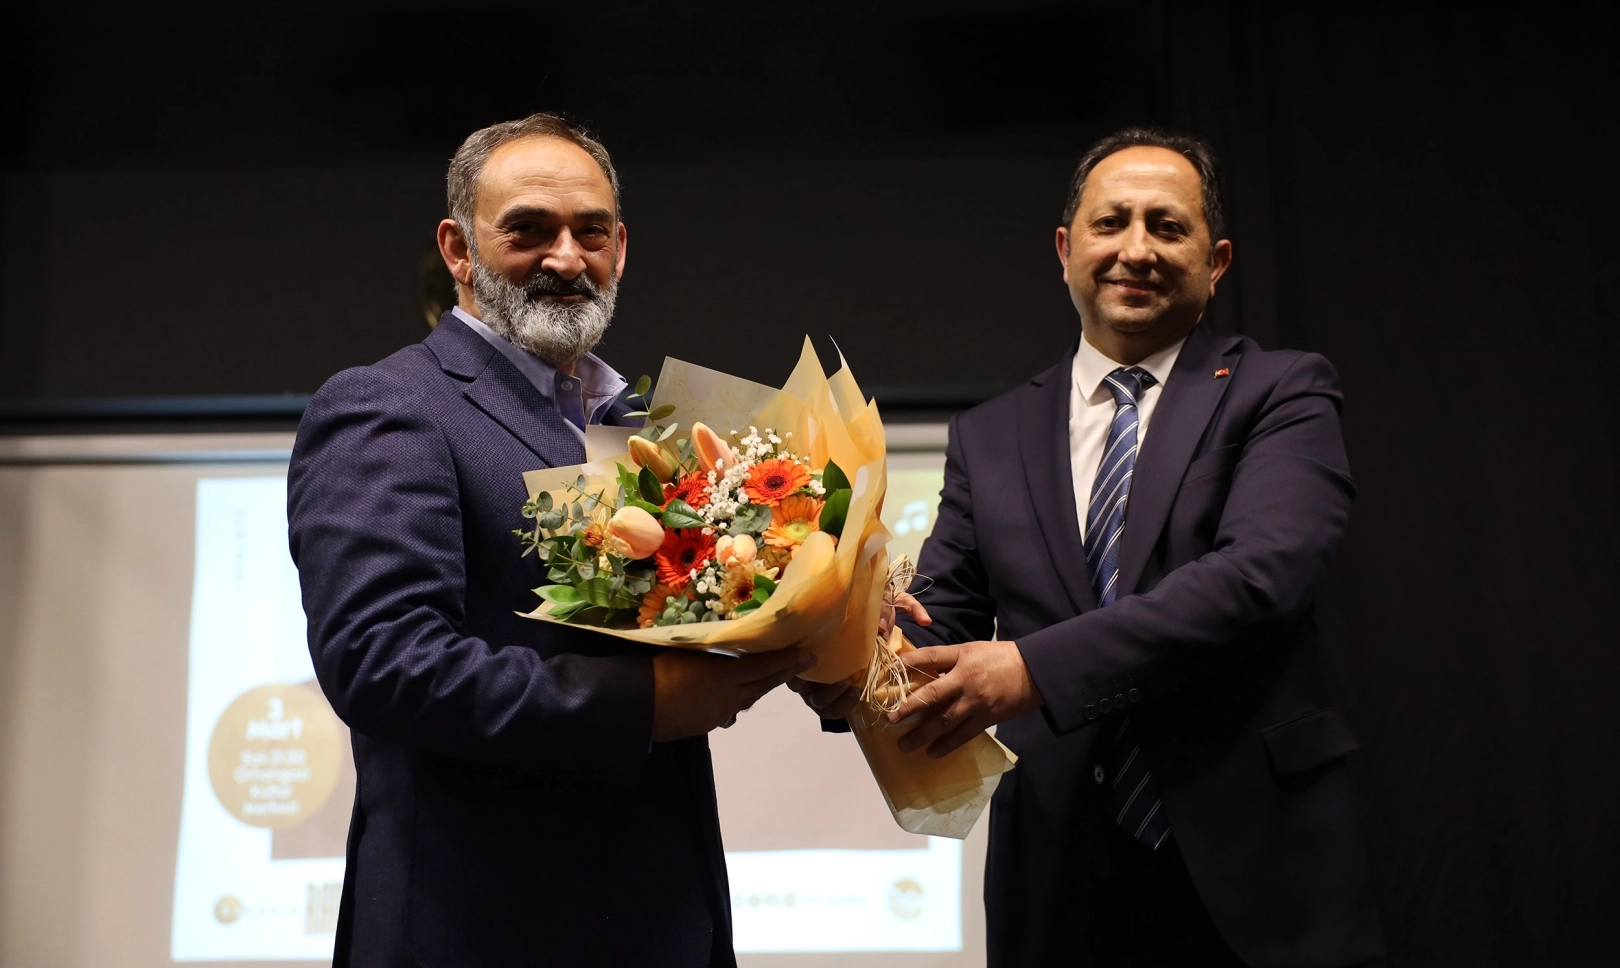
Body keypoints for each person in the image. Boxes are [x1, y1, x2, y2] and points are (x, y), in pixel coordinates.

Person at [799, 128, 1391, 966]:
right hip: (1056, 875)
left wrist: (1034, 670)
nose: (1136, 249)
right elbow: (941, 616)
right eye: (1111, 222)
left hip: (1260, 863)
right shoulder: (989, 433)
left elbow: (1260, 580)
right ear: (1065, 249)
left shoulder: (1282, 391)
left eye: (1167, 226)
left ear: (1216, 261)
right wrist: (843, 654)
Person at [287, 113, 811, 968]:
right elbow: (382, 663)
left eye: (590, 232)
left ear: (620, 248)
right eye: (528, 230)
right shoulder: (388, 405)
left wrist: (826, 627)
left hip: (665, 923)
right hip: (479, 930)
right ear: (458, 250)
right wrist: (643, 704)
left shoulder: (642, 426)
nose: (566, 259)